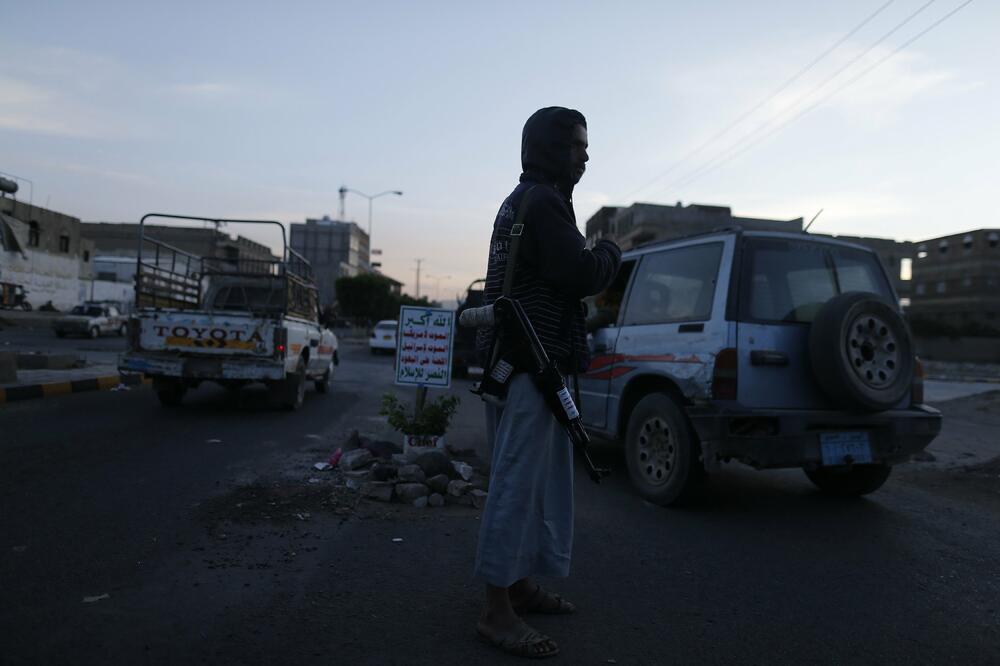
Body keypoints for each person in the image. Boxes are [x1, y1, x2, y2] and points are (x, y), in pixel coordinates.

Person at [472, 107, 622, 658]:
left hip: (516, 364)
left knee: (532, 488)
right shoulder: (544, 203)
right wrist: (610, 250)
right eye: (577, 145)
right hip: (531, 368)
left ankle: (517, 586)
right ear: (548, 148)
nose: (585, 154)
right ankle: (496, 612)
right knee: (517, 490)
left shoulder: (524, 200)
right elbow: (580, 275)